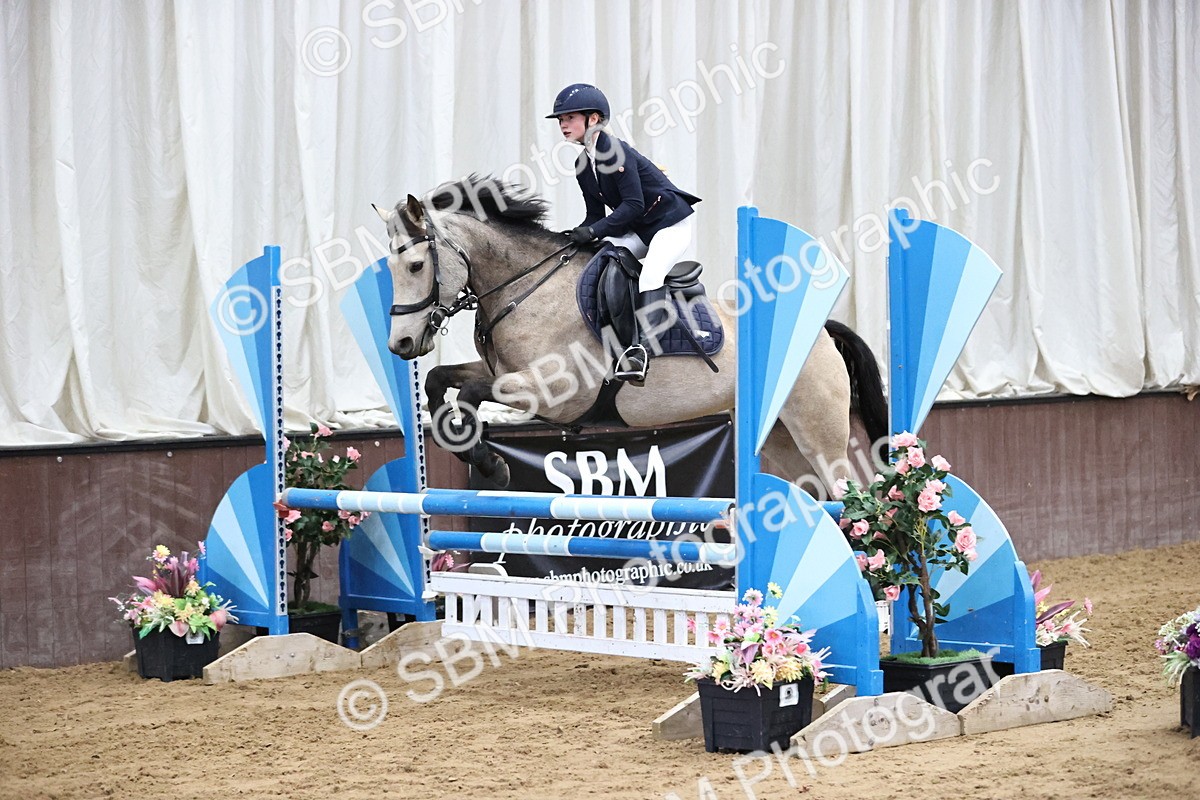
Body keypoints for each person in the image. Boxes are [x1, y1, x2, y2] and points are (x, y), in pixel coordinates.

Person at [548, 83, 702, 383]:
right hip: (640, 228)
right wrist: (577, 235)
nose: (563, 125)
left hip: (670, 223)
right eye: (560, 120)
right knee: (604, 259)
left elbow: (633, 204)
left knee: (650, 275)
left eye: (569, 117)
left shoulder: (613, 150)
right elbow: (596, 216)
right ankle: (612, 337)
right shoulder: (582, 163)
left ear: (593, 119)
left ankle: (640, 350)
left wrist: (593, 230)